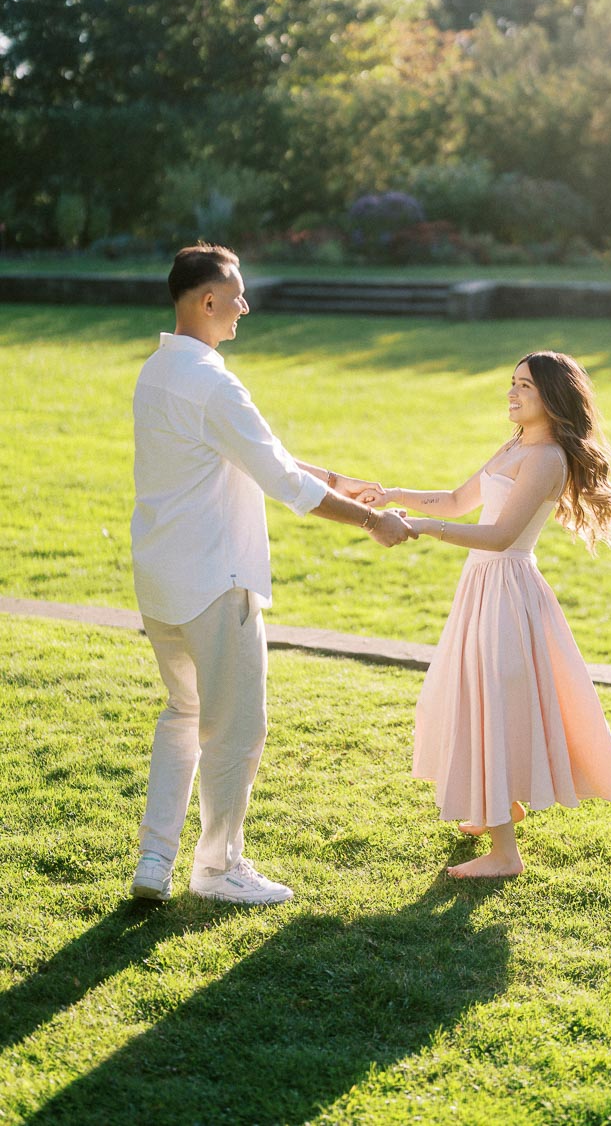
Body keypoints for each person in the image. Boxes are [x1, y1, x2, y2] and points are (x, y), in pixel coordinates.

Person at [129, 242, 413, 906]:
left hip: (161, 583)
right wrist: (375, 522)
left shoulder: (157, 371)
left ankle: (155, 857)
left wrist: (337, 478)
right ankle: (218, 867)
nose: (244, 307)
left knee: (182, 713)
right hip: (215, 582)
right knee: (238, 726)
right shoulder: (213, 381)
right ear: (206, 301)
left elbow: (249, 455)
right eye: (236, 295)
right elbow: (285, 484)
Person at [361, 351, 611, 878]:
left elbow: (501, 535)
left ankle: (506, 855)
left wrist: (419, 528)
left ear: (552, 398)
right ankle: (501, 805)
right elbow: (459, 499)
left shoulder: (547, 458)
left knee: (491, 701)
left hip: (507, 586)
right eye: (512, 383)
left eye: (524, 387)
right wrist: (393, 494)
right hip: (481, 586)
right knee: (469, 694)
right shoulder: (516, 445)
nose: (511, 394)